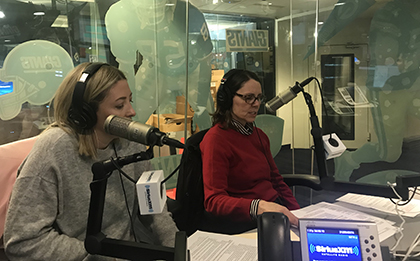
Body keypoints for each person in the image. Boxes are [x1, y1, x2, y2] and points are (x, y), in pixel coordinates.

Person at [3, 62, 178, 260]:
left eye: (130, 101)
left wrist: (178, 251)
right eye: (120, 105)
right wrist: (97, 256)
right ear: (84, 113)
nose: (131, 112)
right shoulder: (53, 150)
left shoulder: (130, 141)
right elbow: (22, 241)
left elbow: (153, 207)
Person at [200, 69, 300, 233]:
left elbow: (276, 181)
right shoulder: (216, 140)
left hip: (274, 212)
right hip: (250, 221)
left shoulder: (259, 135)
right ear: (227, 100)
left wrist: (298, 214)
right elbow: (214, 201)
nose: (256, 104)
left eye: (258, 98)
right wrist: (258, 206)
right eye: (248, 98)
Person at [105, 0, 214, 131]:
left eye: (154, 8)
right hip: (155, 69)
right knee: (129, 120)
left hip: (190, 70)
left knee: (210, 121)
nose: (150, 12)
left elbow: (205, 62)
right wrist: (127, 103)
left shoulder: (189, 14)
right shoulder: (121, 15)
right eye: (145, 8)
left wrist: (201, 106)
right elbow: (125, 66)